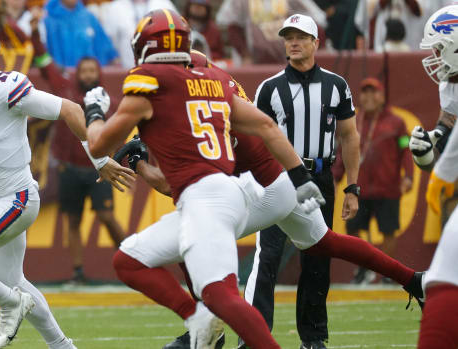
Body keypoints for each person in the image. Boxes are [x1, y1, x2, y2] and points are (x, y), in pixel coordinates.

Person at [118, 49, 424, 349]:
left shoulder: (195, 107)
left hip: (256, 186)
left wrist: (140, 165)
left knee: (194, 239)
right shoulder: (218, 86)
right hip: (280, 179)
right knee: (325, 242)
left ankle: (206, 323)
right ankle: (412, 280)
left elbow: (175, 187)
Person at [85, 8, 330, 349]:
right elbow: (265, 127)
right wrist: (300, 176)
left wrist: (94, 110)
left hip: (213, 195)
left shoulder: (156, 86)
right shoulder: (211, 83)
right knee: (133, 261)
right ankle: (199, 322)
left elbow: (103, 144)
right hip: (229, 190)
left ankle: (202, 323)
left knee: (219, 295)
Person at [0, 18, 133, 349]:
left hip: (16, 198)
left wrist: (100, 159)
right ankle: (62, 345)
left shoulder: (7, 88)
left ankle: (10, 303)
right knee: (13, 281)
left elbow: (71, 110)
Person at [242, 14, 360, 349]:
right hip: (279, 177)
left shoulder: (336, 85)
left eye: (300, 36)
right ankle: (255, 336)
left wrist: (353, 186)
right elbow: (255, 138)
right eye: (288, 37)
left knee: (318, 259)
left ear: (315, 42)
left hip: (321, 176)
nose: (293, 42)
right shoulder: (270, 87)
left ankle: (313, 338)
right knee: (267, 257)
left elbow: (350, 137)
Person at [50, 57, 126, 283]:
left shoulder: (110, 102)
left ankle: (133, 261)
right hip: (70, 167)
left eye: (93, 70)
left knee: (107, 216)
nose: (88, 75)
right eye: (84, 71)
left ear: (99, 73)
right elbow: (46, 68)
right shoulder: (69, 97)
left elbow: (121, 131)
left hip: (98, 170)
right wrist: (34, 34)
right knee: (72, 221)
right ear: (77, 74)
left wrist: (116, 157)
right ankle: (78, 271)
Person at [334, 77, 413, 284]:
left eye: (373, 92)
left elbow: (405, 149)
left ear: (382, 96)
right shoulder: (353, 121)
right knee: (352, 230)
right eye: (365, 92)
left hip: (388, 188)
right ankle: (363, 268)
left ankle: (387, 272)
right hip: (359, 189)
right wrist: (336, 177)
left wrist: (409, 176)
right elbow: (344, 152)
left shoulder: (396, 122)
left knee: (388, 230)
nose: (369, 97)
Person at [414, 5, 458, 348]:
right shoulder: (452, 84)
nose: (436, 58)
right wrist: (432, 142)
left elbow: (443, 178)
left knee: (442, 277)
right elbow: (449, 122)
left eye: (441, 48)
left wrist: (434, 165)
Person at [215, 0, 325, 65]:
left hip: (290, 61)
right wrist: (245, 55)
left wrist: (309, 54)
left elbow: (316, 21)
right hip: (254, 63)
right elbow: (232, 25)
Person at [42, 0, 119, 68]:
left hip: (89, 77)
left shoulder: (88, 17)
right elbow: (45, 53)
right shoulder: (48, 20)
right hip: (62, 77)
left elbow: (105, 46)